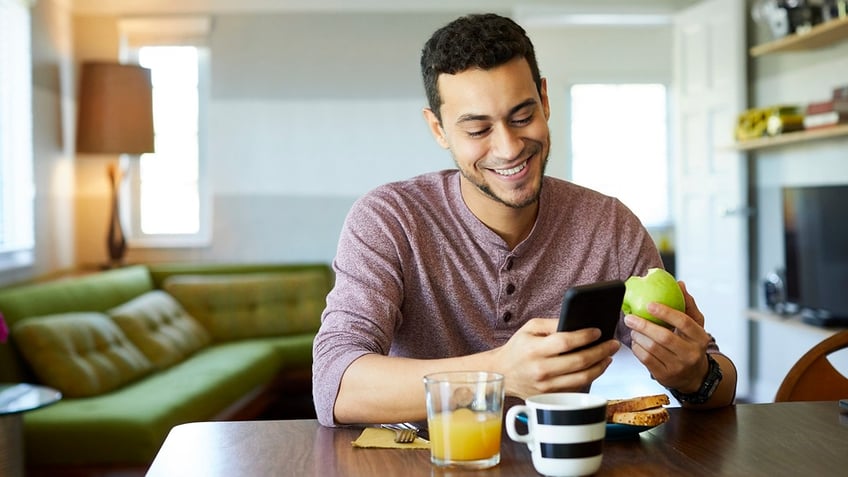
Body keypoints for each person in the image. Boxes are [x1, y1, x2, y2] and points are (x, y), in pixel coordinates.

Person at [312, 12, 737, 427]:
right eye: (478, 130)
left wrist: (694, 374)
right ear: (439, 129)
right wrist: (497, 372)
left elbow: (719, 380)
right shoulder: (390, 219)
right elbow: (335, 384)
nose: (509, 147)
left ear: (545, 100)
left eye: (522, 116)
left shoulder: (610, 225)